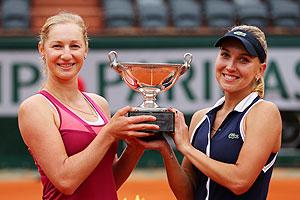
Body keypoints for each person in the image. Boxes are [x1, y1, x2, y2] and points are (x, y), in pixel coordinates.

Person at [17, 12, 159, 200]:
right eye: (57, 46)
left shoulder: (99, 103)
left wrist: (135, 148)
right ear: (42, 49)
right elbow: (66, 181)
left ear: (86, 50)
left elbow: (110, 180)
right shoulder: (35, 107)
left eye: (75, 46)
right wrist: (109, 134)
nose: (66, 55)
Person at [137, 25, 282, 200]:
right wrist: (166, 148)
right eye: (225, 55)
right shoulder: (201, 117)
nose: (230, 66)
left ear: (260, 70)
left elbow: (240, 181)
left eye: (243, 60)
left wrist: (186, 148)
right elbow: (187, 193)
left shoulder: (264, 112)